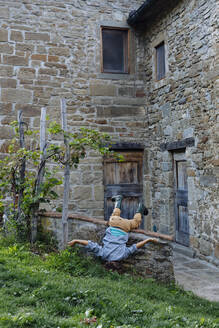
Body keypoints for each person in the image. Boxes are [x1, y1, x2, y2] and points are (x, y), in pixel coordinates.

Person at [68, 195, 158, 262]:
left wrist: (148, 240)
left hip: (125, 227)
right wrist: (76, 241)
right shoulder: (103, 255)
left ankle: (140, 208)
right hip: (113, 223)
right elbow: (90, 244)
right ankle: (118, 201)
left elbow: (135, 247)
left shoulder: (122, 256)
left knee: (135, 223)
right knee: (115, 215)